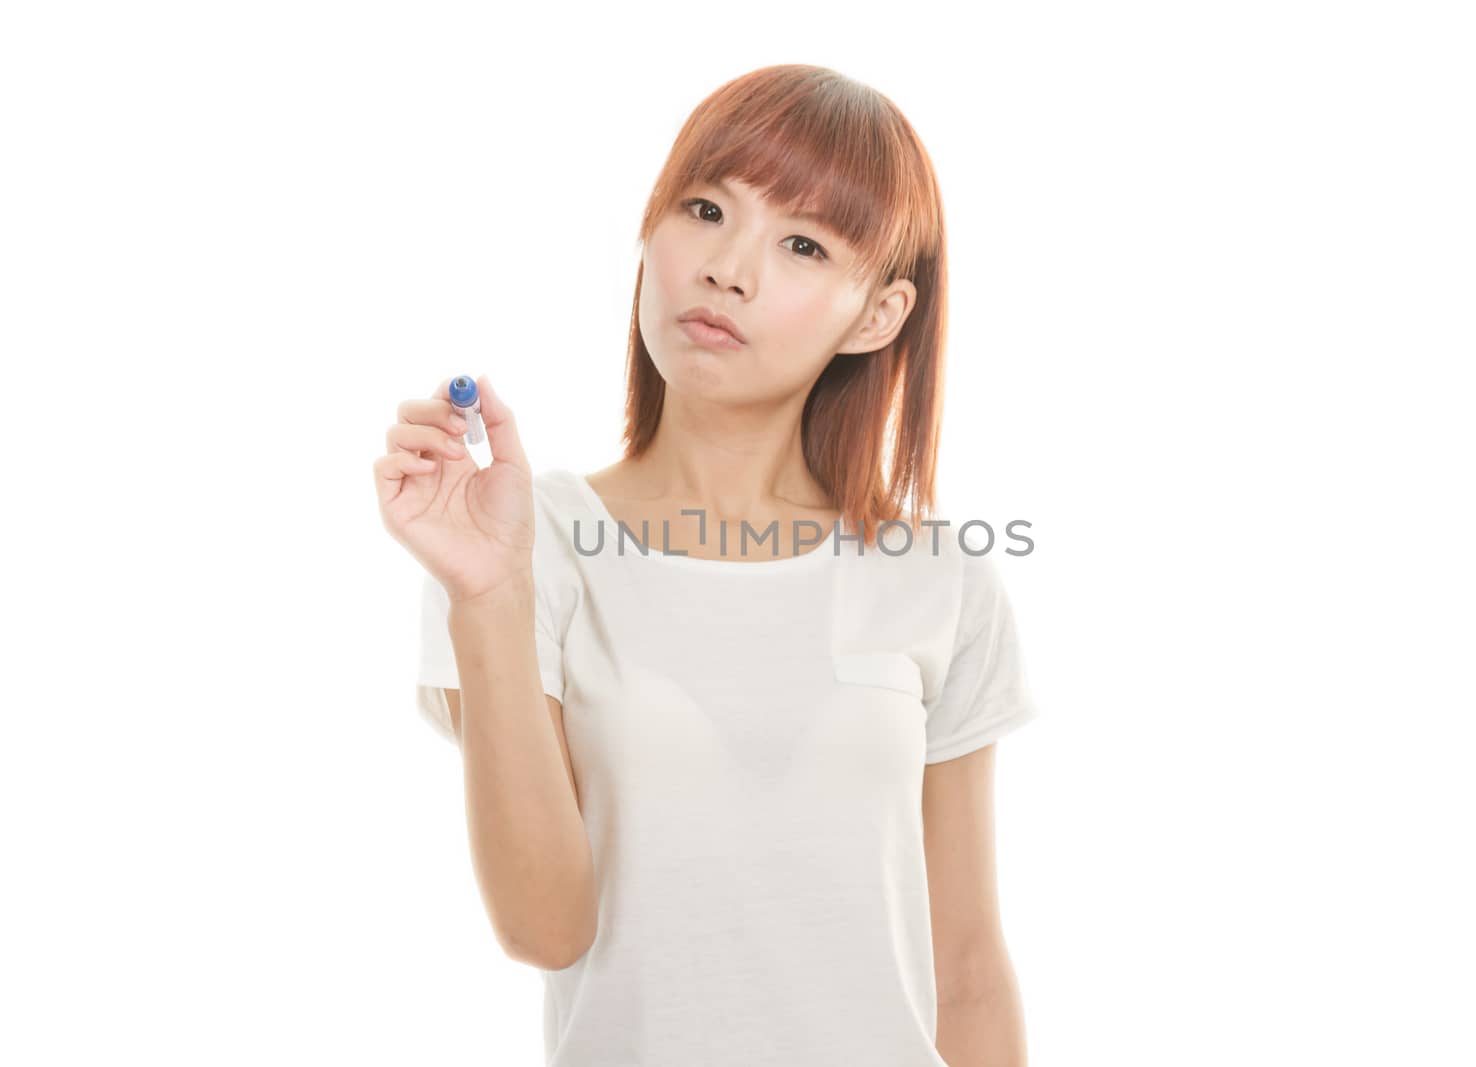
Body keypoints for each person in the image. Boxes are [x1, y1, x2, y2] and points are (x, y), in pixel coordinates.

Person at [374, 63, 1040, 1066]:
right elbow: (544, 928)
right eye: (704, 208)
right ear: (649, 233)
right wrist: (488, 595)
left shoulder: (937, 579)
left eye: (804, 243)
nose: (729, 268)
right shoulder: (523, 539)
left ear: (878, 315)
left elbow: (969, 965)